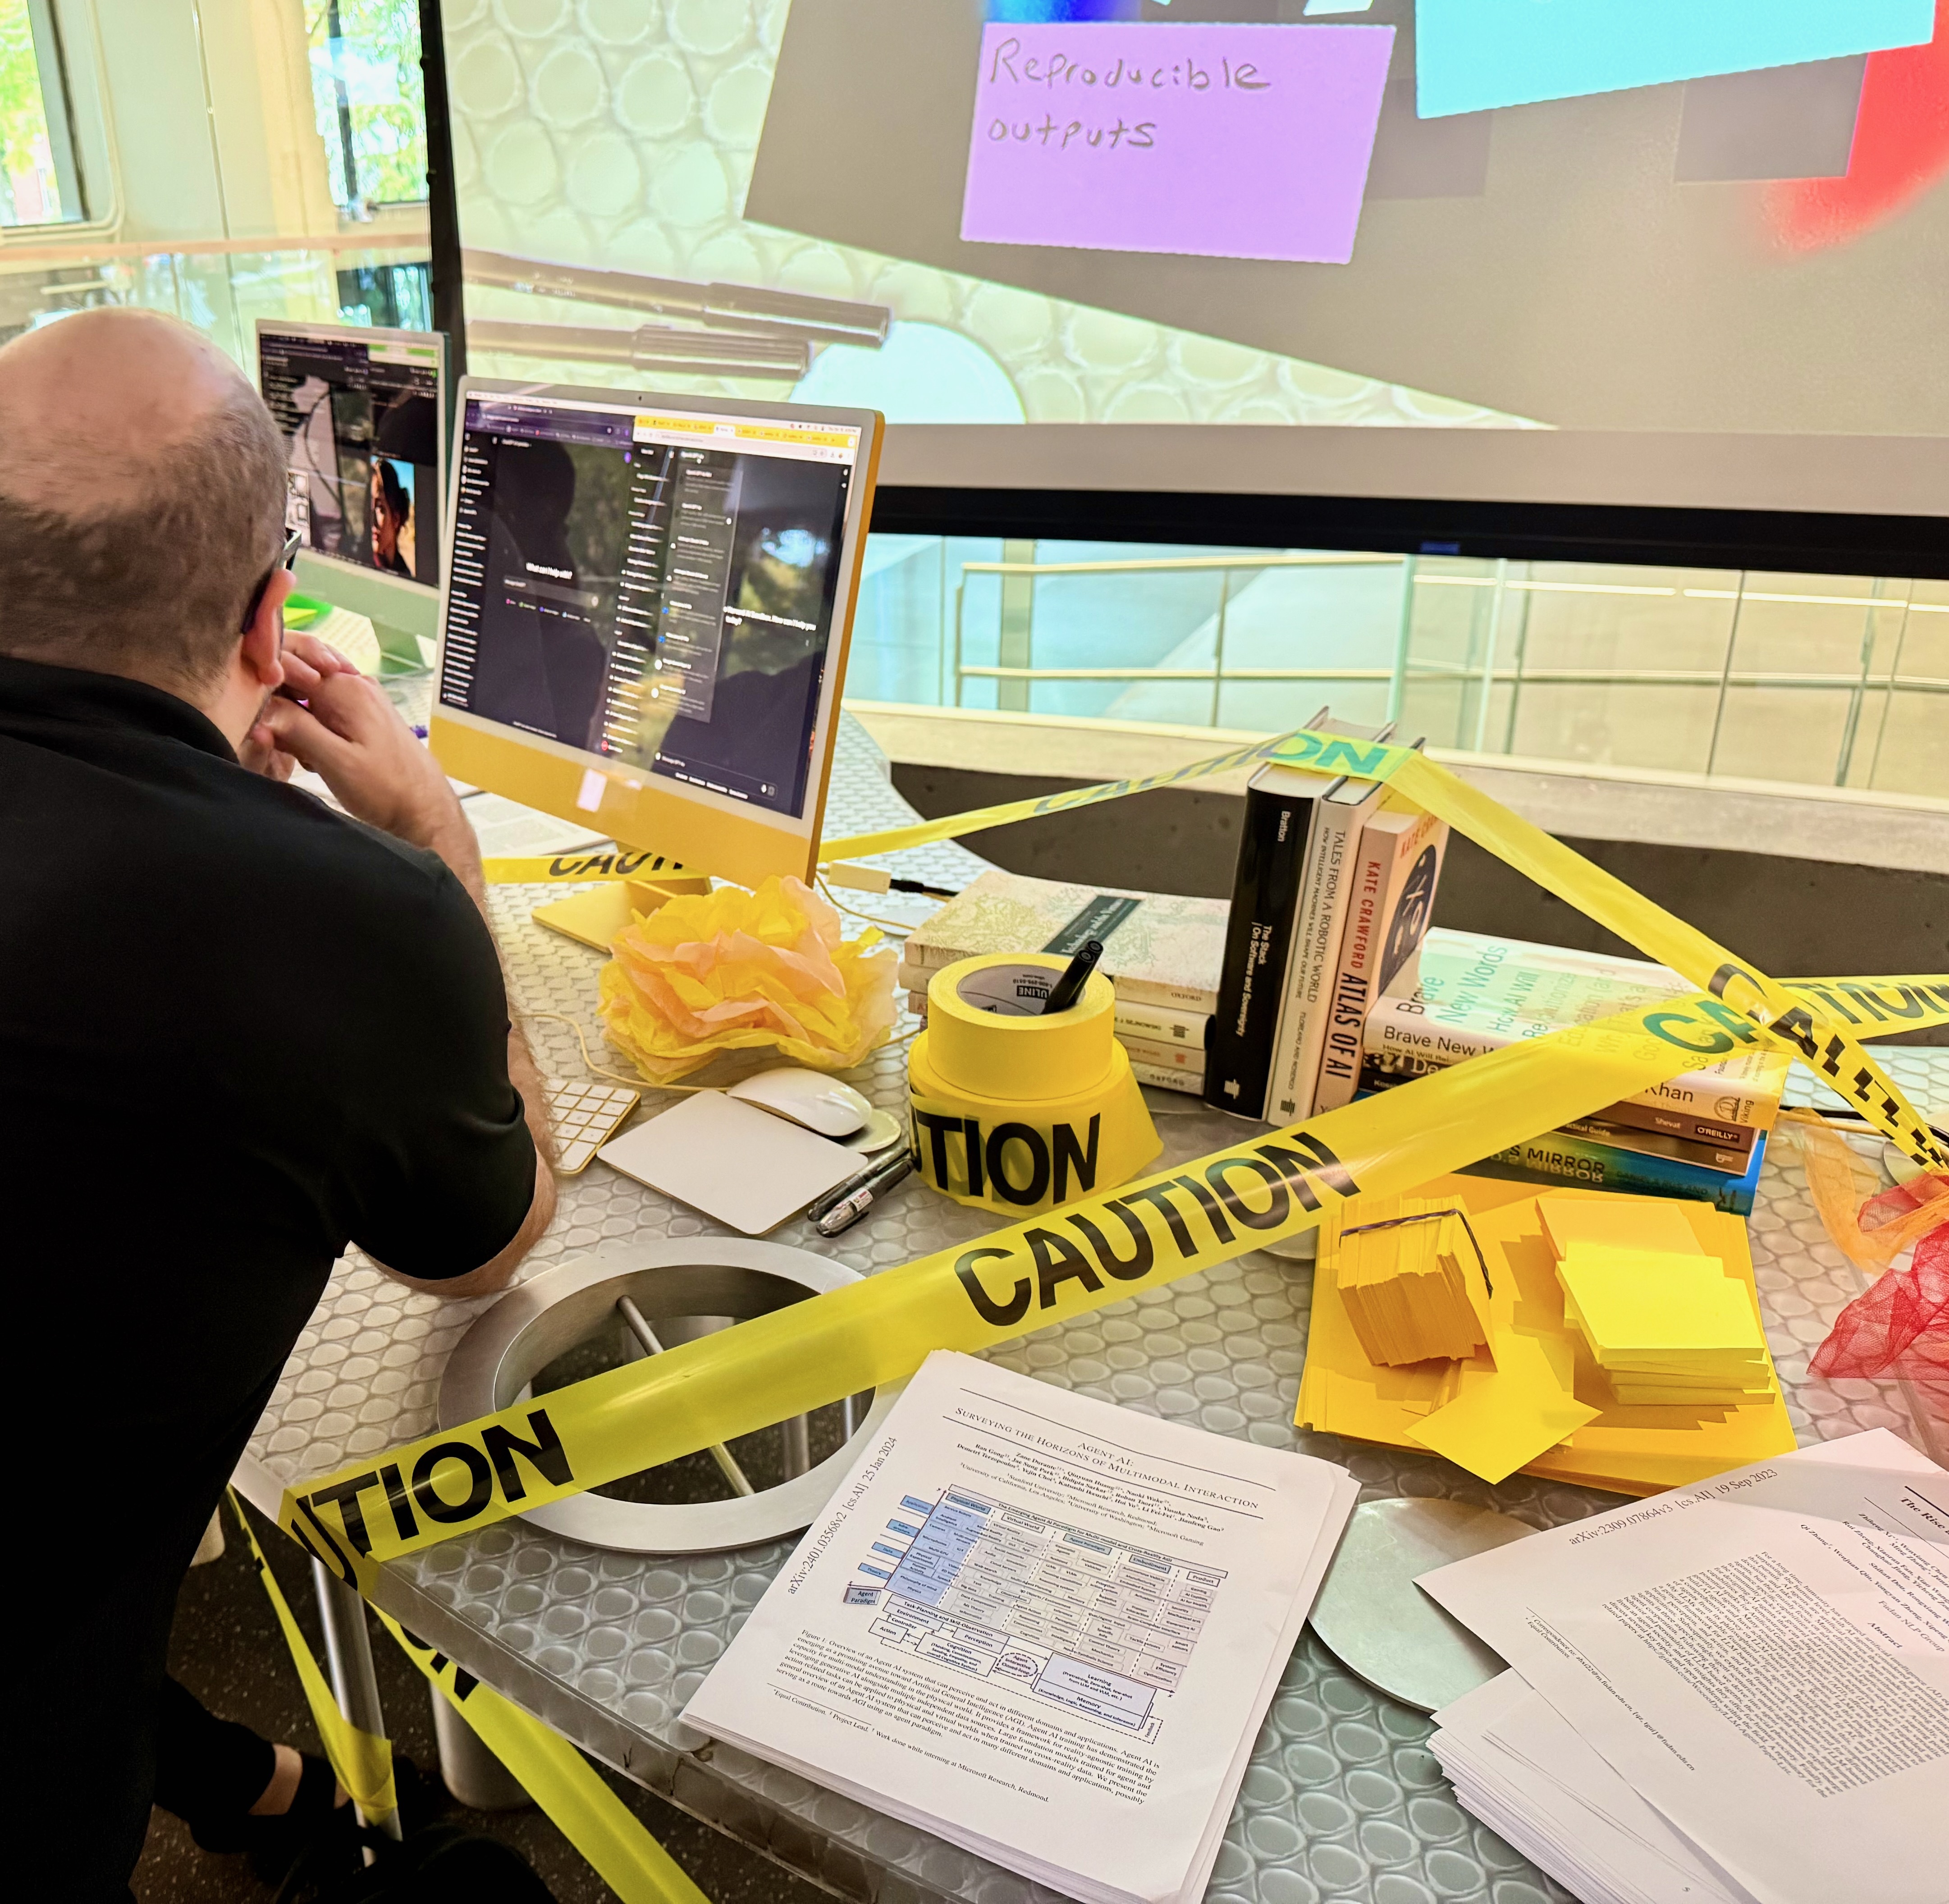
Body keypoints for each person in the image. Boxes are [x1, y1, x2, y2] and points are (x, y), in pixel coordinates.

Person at [0, 309, 558, 1898]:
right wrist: (430, 858)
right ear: (271, 619)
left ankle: (250, 1783)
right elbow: (483, 1248)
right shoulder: (349, 921)